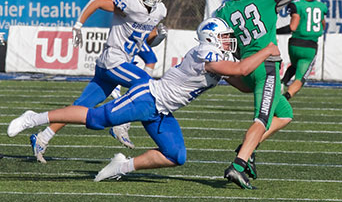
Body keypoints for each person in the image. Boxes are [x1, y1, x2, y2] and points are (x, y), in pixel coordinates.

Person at [8, 17, 281, 183]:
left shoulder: (218, 58)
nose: (228, 42)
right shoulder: (205, 53)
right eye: (224, 37)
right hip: (148, 98)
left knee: (176, 156)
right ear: (210, 38)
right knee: (96, 118)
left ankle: (122, 166)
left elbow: (243, 83)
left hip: (161, 111)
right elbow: (241, 69)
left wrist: (267, 76)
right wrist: (268, 49)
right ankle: (35, 118)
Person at [30, 0, 168, 163]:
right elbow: (96, 2)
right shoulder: (129, 3)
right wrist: (78, 25)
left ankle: (42, 137)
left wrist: (158, 37)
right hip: (113, 59)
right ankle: (122, 124)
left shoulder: (160, 11)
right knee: (145, 84)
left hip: (117, 63)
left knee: (82, 105)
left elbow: (142, 39)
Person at [214, 0, 308, 189]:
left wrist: (241, 58)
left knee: (285, 114)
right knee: (262, 119)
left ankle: (248, 146)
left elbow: (225, 45)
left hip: (247, 65)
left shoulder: (224, 10)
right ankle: (238, 165)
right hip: (266, 66)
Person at [277, 0, 327, 100]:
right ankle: (286, 97)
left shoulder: (296, 4)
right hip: (310, 46)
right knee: (300, 78)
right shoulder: (321, 6)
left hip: (294, 44)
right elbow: (323, 24)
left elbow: (292, 27)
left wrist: (276, 31)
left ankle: (282, 83)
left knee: (294, 65)